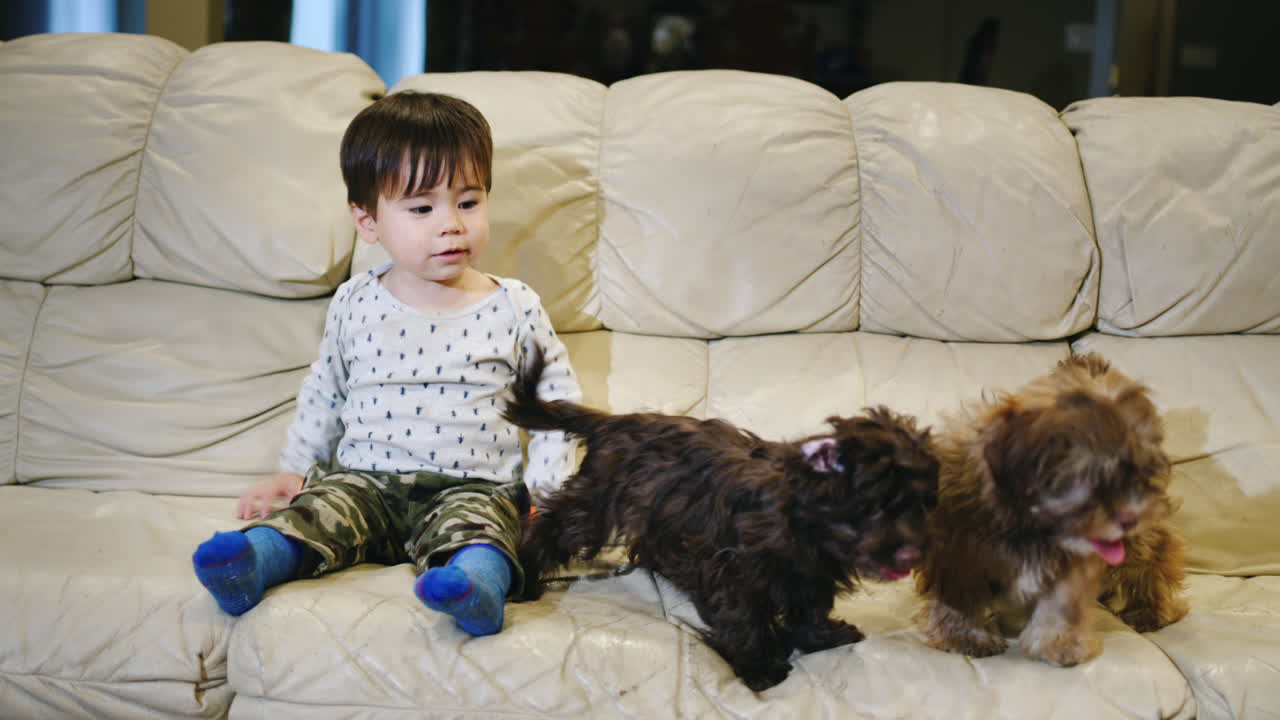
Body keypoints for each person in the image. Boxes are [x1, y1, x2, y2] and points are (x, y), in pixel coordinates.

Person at [192, 91, 581, 636]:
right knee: (315, 515)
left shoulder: (514, 306)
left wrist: (548, 492)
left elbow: (555, 407)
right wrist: (294, 467)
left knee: (481, 536)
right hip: (364, 482)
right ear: (367, 220)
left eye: (468, 202)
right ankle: (251, 563)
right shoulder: (355, 301)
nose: (451, 224)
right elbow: (326, 388)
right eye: (422, 208)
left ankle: (476, 590)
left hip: (470, 486)